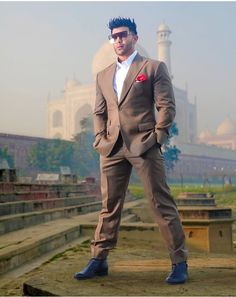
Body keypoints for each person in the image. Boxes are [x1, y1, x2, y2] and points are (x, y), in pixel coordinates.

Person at [74, 17, 188, 284]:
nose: (118, 40)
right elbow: (99, 112)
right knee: (109, 206)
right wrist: (99, 139)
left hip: (144, 144)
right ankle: (99, 258)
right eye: (114, 37)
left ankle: (179, 261)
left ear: (135, 37)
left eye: (123, 35)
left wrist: (158, 137)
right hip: (112, 148)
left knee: (161, 203)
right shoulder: (103, 75)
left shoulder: (152, 67)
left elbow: (166, 106)